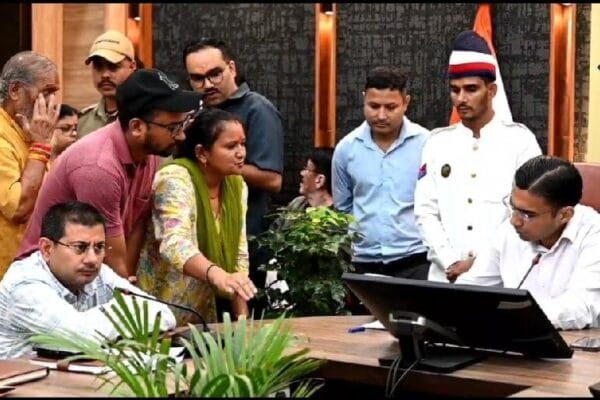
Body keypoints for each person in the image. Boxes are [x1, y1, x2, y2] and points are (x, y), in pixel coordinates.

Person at [17, 68, 202, 281]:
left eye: (183, 124)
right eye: (174, 127)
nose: (182, 135)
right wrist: (123, 286)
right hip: (46, 278)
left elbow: (136, 225)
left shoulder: (148, 151)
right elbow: (107, 251)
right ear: (137, 127)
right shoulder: (99, 168)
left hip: (89, 273)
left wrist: (127, 279)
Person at [414, 30, 541, 283]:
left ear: (491, 90)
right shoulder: (437, 143)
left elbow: (528, 213)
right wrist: (450, 261)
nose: (461, 98)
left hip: (501, 277)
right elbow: (425, 212)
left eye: (471, 89)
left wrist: (479, 264)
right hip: (446, 276)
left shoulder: (520, 141)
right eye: (455, 90)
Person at [0, 201, 176, 359]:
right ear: (47, 249)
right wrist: (125, 309)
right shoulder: (25, 285)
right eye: (80, 247)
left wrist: (115, 316)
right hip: (18, 383)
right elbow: (79, 338)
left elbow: (164, 314)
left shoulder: (98, 274)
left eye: (99, 247)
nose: (92, 259)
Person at [137, 108, 257, 325]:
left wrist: (243, 321)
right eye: (231, 146)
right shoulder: (174, 180)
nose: (241, 153)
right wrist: (218, 275)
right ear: (202, 153)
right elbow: (175, 243)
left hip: (201, 314)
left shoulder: (237, 185)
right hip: (156, 310)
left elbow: (239, 254)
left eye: (243, 144)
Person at [183, 38, 284, 289]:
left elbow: (273, 180)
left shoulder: (257, 109)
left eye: (215, 74)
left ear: (232, 68)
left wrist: (218, 165)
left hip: (246, 236)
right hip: (199, 240)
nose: (208, 84)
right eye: (198, 78)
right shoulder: (193, 112)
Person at [456, 156, 600, 330]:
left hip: (578, 342)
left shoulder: (594, 234)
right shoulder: (509, 230)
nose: (514, 221)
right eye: (513, 207)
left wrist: (506, 318)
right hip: (513, 335)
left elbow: (580, 309)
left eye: (527, 215)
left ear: (565, 215)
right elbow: (469, 289)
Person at [332, 65, 430, 280]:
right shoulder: (346, 149)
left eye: (390, 107)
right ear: (364, 99)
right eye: (374, 106)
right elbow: (343, 208)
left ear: (406, 103)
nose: (381, 115)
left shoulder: (427, 145)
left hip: (416, 260)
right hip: (362, 263)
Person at [0, 51, 60, 277]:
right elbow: (19, 208)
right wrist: (42, 146)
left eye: (54, 93)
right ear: (15, 91)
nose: (52, 102)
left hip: (32, 264)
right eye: (46, 92)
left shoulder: (29, 131)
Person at [77, 30, 137, 138]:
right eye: (98, 67)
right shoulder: (82, 121)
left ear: (132, 67)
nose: (105, 75)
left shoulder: (146, 118)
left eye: (113, 66)